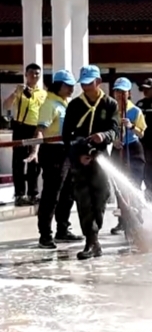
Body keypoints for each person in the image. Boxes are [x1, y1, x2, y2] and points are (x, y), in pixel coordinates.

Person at [62, 65, 120, 260]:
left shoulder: (109, 104)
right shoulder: (75, 105)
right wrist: (79, 154)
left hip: (101, 157)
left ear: (98, 82)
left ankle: (94, 237)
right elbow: (67, 135)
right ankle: (91, 240)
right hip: (80, 159)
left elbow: (115, 130)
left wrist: (103, 136)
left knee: (101, 196)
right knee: (84, 200)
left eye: (89, 83)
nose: (85, 87)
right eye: (83, 83)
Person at [31, 70, 83, 249]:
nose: (71, 89)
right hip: (53, 152)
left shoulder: (65, 103)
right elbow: (40, 130)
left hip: (67, 151)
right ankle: (45, 235)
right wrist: (35, 150)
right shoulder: (49, 104)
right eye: (68, 86)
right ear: (58, 85)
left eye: (72, 86)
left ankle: (63, 229)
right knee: (52, 194)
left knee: (68, 193)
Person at [2, 63, 45, 206]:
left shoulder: (42, 93)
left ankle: (33, 193)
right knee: (18, 162)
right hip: (20, 127)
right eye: (31, 73)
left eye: (37, 73)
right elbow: (6, 106)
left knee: (34, 161)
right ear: (26, 75)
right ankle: (19, 194)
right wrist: (15, 93)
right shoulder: (20, 90)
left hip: (35, 129)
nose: (34, 76)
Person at [109, 78, 147, 236]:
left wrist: (131, 126)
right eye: (117, 91)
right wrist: (113, 140)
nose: (120, 94)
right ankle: (122, 220)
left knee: (134, 183)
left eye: (123, 92)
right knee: (119, 185)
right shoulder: (111, 110)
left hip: (133, 149)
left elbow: (142, 133)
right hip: (118, 149)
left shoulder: (135, 111)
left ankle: (137, 216)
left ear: (129, 93)